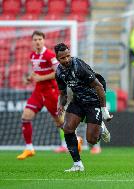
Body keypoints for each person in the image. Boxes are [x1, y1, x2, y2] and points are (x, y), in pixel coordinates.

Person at [55, 43, 112, 172]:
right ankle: (77, 165)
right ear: (58, 59)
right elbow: (63, 93)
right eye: (63, 58)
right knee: (67, 128)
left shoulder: (79, 67)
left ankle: (101, 127)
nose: (67, 59)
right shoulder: (59, 72)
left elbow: (99, 86)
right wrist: (61, 104)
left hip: (93, 101)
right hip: (78, 101)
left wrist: (104, 110)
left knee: (91, 140)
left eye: (68, 56)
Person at [16, 30, 68, 160]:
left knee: (60, 122)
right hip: (38, 92)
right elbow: (35, 73)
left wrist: (41, 78)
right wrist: (29, 78)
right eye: (35, 40)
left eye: (40, 39)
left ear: (44, 40)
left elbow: (58, 73)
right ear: (32, 42)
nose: (37, 42)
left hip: (51, 91)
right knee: (25, 116)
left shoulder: (50, 55)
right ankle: (29, 148)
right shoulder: (32, 55)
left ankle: (72, 140)